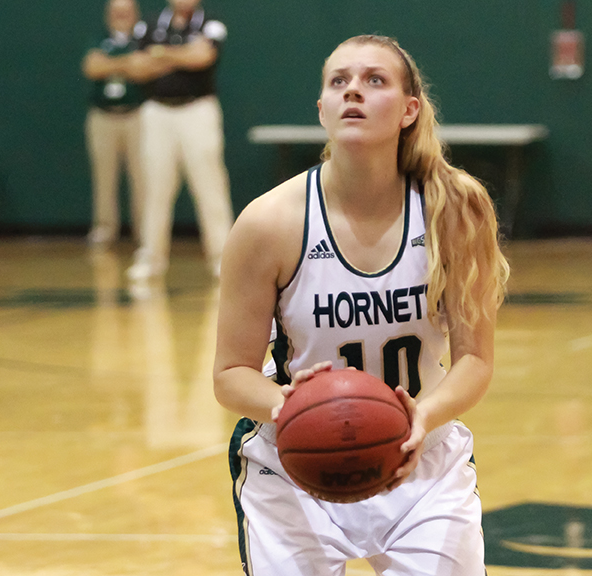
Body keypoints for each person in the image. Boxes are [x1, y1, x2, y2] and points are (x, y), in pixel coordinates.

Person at [213, 35, 510, 576]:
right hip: (295, 465)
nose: (354, 91)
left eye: (375, 80)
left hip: (423, 460)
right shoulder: (269, 222)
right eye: (338, 81)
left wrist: (421, 418)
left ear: (408, 109)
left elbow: (476, 360)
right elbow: (230, 374)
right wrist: (292, 410)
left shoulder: (455, 208)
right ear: (322, 108)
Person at [125, 0, 233, 280]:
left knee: (210, 187)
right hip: (157, 111)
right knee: (155, 188)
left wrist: (160, 55)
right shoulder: (148, 24)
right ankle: (150, 258)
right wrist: (181, 56)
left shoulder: (210, 21)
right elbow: (136, 67)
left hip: (197, 110)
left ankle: (223, 259)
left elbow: (203, 57)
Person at [82, 0, 148, 248]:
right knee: (104, 177)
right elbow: (92, 66)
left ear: (135, 15)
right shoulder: (99, 38)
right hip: (103, 116)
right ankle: (105, 228)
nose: (121, 16)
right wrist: (126, 64)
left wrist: (110, 64)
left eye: (126, 12)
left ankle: (143, 232)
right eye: (116, 12)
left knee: (141, 177)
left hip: (135, 115)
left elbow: (144, 69)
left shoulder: (143, 38)